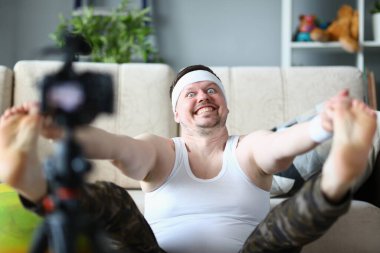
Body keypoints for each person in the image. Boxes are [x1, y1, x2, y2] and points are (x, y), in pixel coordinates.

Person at [0, 64, 377, 253]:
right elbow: (115, 146)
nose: (203, 96)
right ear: (177, 114)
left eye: (212, 90)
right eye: (190, 94)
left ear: (226, 105)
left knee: (284, 226)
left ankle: (338, 176)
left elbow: (281, 145)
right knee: (114, 201)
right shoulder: (162, 151)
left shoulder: (248, 148)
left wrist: (321, 128)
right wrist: (60, 131)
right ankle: (31, 182)